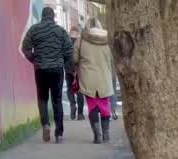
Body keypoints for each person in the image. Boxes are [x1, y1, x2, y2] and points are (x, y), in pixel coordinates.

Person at [21, 7, 73, 143]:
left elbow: (25, 47)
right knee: (57, 100)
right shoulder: (60, 31)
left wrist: (34, 60)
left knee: (42, 98)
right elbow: (69, 50)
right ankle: (59, 134)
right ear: (53, 16)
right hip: (57, 69)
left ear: (42, 16)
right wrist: (61, 61)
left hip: (41, 69)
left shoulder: (34, 29)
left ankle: (45, 124)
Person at [75, 18, 115, 144]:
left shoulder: (81, 40)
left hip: (88, 78)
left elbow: (74, 59)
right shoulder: (108, 40)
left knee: (92, 106)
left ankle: (97, 136)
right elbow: (113, 58)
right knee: (105, 105)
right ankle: (106, 134)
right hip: (104, 77)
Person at [66, 23, 84, 120]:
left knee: (70, 89)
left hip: (68, 69)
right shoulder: (81, 42)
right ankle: (80, 114)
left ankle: (72, 104)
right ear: (77, 33)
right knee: (79, 90)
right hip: (79, 69)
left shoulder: (66, 41)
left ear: (70, 32)